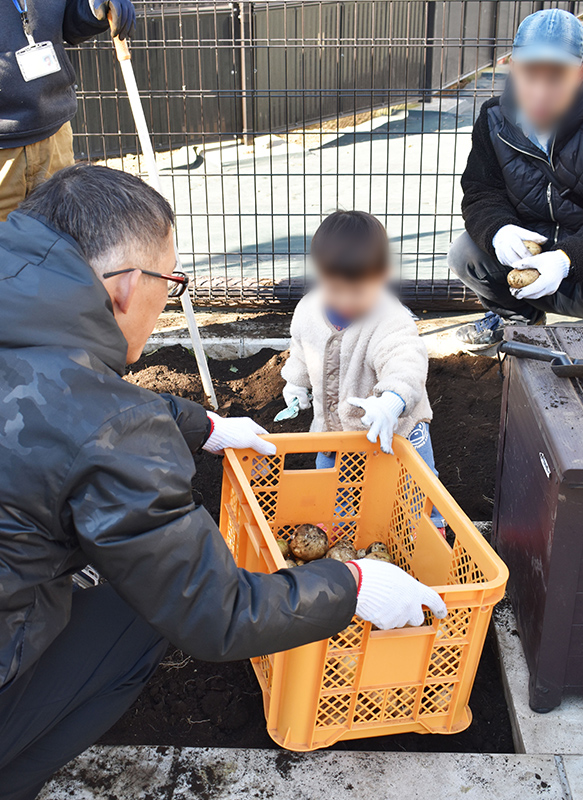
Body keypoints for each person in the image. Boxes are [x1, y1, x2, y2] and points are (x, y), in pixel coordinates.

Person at [0, 165, 447, 800]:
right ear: (126, 287)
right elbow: (215, 613)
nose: (168, 301)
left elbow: (59, 392)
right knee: (145, 606)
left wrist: (203, 425)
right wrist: (353, 584)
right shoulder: (114, 430)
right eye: (170, 283)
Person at [280, 210, 445, 534]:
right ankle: (339, 528)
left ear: (381, 276)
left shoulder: (390, 319)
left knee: (416, 489)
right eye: (334, 288)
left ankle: (429, 530)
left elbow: (406, 362)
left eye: (358, 291)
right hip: (335, 433)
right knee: (331, 488)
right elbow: (302, 348)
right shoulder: (308, 310)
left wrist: (393, 402)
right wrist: (296, 383)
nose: (345, 300)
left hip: (395, 430)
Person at [450, 8, 583, 349]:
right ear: (514, 68)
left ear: (580, 74)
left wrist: (566, 260)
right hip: (529, 255)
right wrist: (499, 230)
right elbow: (480, 192)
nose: (541, 92)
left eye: (557, 76)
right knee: (465, 253)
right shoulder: (493, 119)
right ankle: (518, 320)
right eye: (530, 74)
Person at [0, 0, 135, 221]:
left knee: (59, 233)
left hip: (55, 134)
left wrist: (93, 9)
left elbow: (68, 23)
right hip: (3, 146)